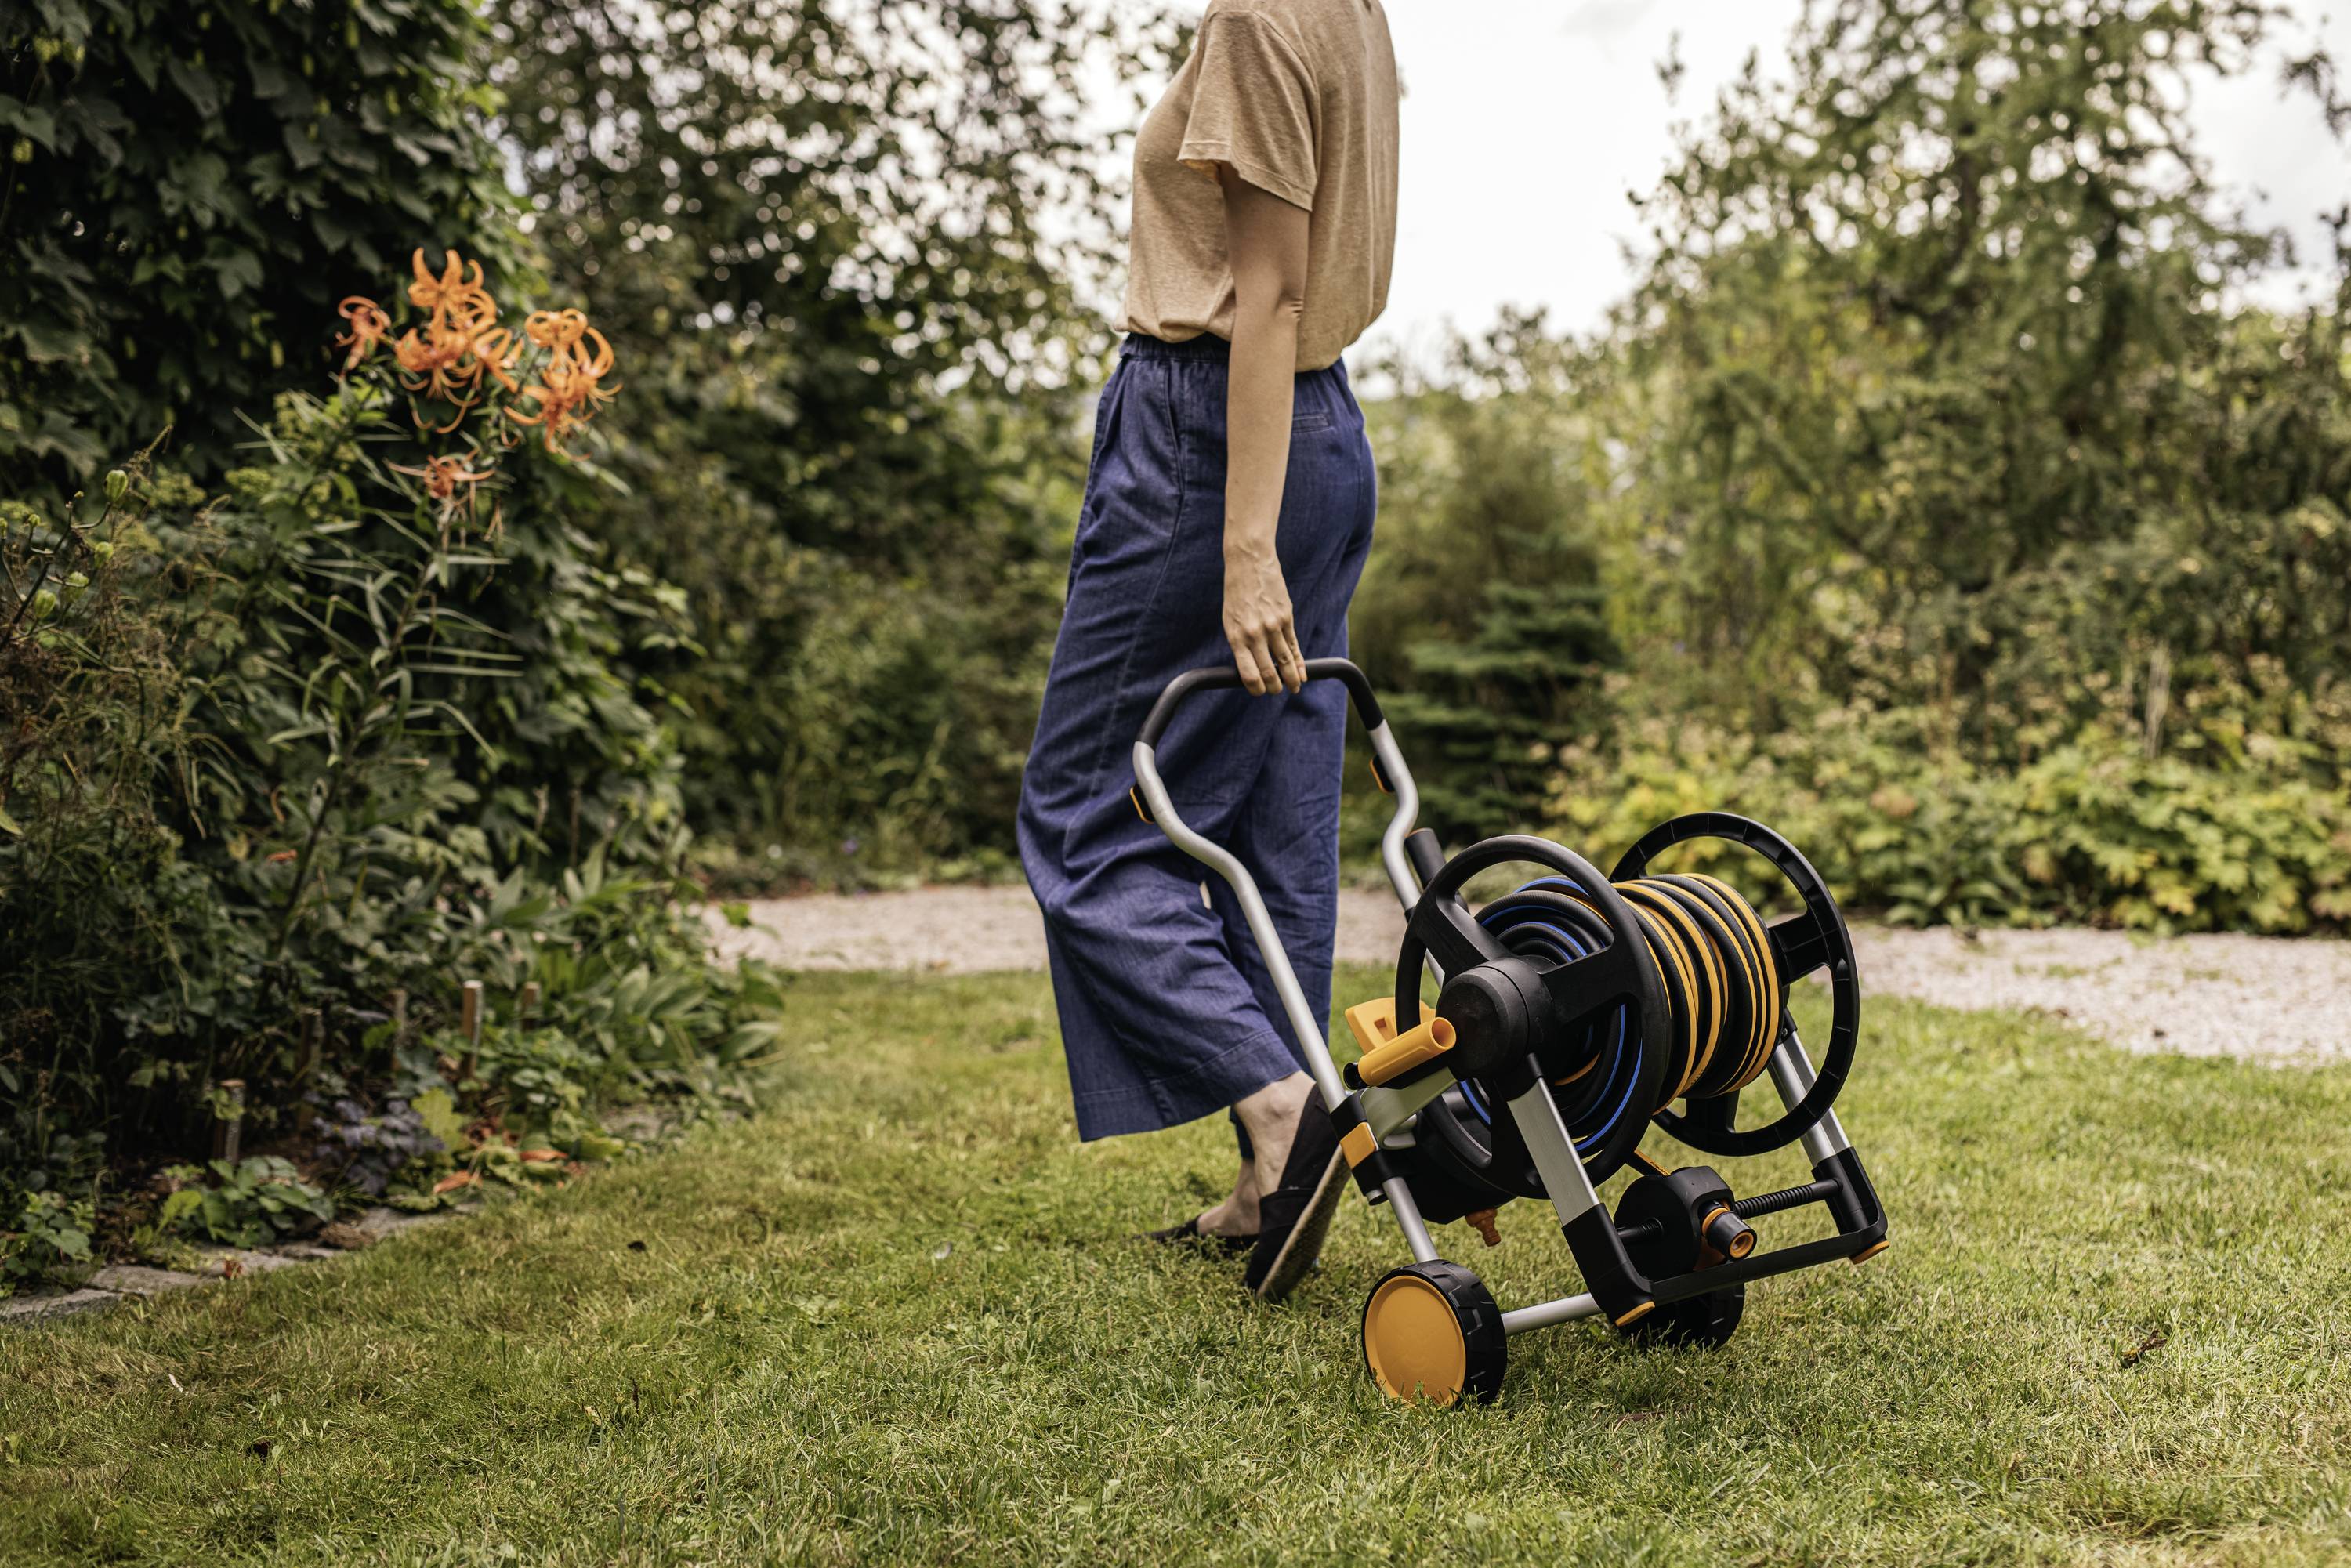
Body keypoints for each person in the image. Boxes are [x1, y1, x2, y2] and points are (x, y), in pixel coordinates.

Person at [1017, 0, 1399, 1301]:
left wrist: (1244, 548)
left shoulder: (1254, 18)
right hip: (1326, 439)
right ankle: (1267, 1175)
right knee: (1272, 822)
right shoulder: (1350, 12)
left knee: (1081, 812)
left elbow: (1271, 291)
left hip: (1213, 438)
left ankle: (1285, 1104)